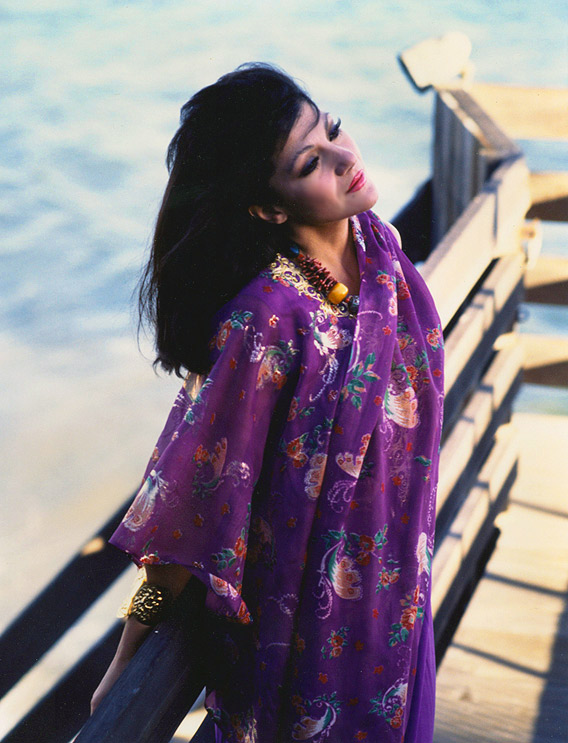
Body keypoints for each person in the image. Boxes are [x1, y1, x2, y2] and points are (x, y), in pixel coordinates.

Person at [91, 63, 444, 743]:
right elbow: (191, 495)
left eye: (334, 128)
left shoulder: (381, 253)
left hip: (402, 604)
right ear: (268, 206)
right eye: (312, 160)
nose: (346, 158)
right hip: (316, 646)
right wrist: (128, 651)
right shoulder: (267, 323)